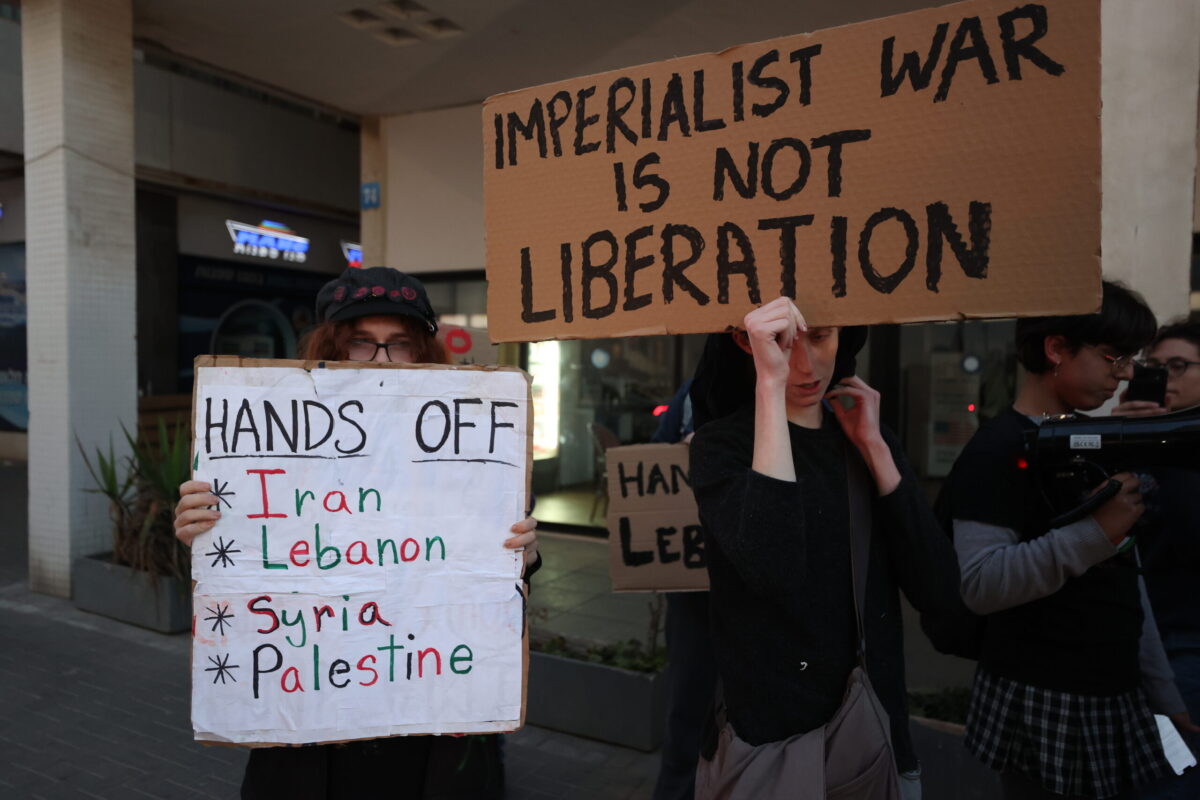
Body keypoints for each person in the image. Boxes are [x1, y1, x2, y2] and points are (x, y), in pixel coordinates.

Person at [173, 266, 541, 800]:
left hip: (429, 724)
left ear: (423, 352)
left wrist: (521, 558)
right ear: (332, 348)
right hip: (312, 724)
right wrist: (203, 533)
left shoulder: (470, 449)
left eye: (399, 345)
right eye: (362, 344)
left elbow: (491, 594)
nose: (381, 361)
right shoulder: (278, 443)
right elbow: (248, 561)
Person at [688, 296, 961, 798]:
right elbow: (773, 569)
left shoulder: (864, 437)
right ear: (746, 344)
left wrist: (876, 450)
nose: (805, 364)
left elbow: (942, 592)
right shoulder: (719, 445)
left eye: (820, 337)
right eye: (783, 343)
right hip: (769, 746)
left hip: (871, 734)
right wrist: (768, 386)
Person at [941, 282, 1194, 799]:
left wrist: (1162, 688)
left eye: (1129, 359)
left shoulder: (1088, 437)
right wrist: (1097, 533)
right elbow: (981, 581)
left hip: (1110, 688)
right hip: (1044, 694)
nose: (1124, 374)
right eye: (1112, 357)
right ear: (1056, 350)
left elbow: (1128, 576)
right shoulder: (996, 449)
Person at [1112, 320, 1200, 800]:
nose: (1165, 377)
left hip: (1186, 643)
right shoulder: (1135, 438)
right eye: (1154, 368)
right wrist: (1125, 439)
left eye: (1180, 366)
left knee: (1171, 780)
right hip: (1136, 643)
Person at [650, 378, 721, 800]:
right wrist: (682, 452)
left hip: (763, 596)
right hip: (694, 587)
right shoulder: (695, 392)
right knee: (688, 713)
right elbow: (656, 453)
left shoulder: (802, 389)